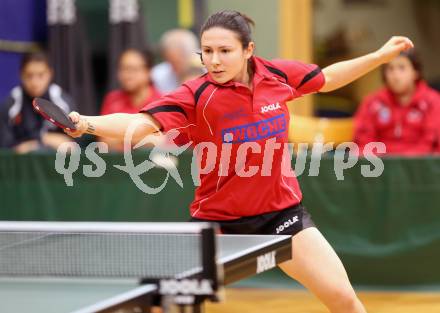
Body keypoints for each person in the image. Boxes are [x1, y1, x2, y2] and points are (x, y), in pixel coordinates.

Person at [65, 10, 414, 313]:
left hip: (282, 215)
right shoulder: (196, 95)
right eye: (207, 52)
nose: (214, 61)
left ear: (248, 50)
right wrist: (88, 124)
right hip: (217, 222)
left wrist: (380, 57)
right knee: (163, 298)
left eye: (224, 51)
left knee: (344, 298)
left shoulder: (276, 76)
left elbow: (328, 79)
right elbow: (141, 124)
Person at [354, 49, 440, 155]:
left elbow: (432, 143)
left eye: (402, 68)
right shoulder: (371, 102)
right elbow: (364, 141)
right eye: (390, 69)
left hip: (420, 164)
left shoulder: (433, 101)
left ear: (415, 72)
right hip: (379, 165)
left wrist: (406, 162)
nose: (395, 75)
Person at [0, 52, 75, 153]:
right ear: (21, 75)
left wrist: (40, 140)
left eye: (41, 75)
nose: (35, 82)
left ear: (50, 74)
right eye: (29, 75)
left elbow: (75, 144)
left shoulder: (62, 101)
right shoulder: (10, 103)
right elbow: (6, 148)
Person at [100, 48, 161, 151]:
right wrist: (142, 138)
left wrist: (119, 136)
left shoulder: (161, 101)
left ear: (148, 71)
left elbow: (161, 141)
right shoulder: (112, 99)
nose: (127, 75)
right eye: (123, 69)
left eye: (133, 69)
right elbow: (104, 139)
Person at [151, 29, 201, 93]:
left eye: (177, 62)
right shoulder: (157, 75)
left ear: (191, 56)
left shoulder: (210, 67)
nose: (173, 67)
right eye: (170, 61)